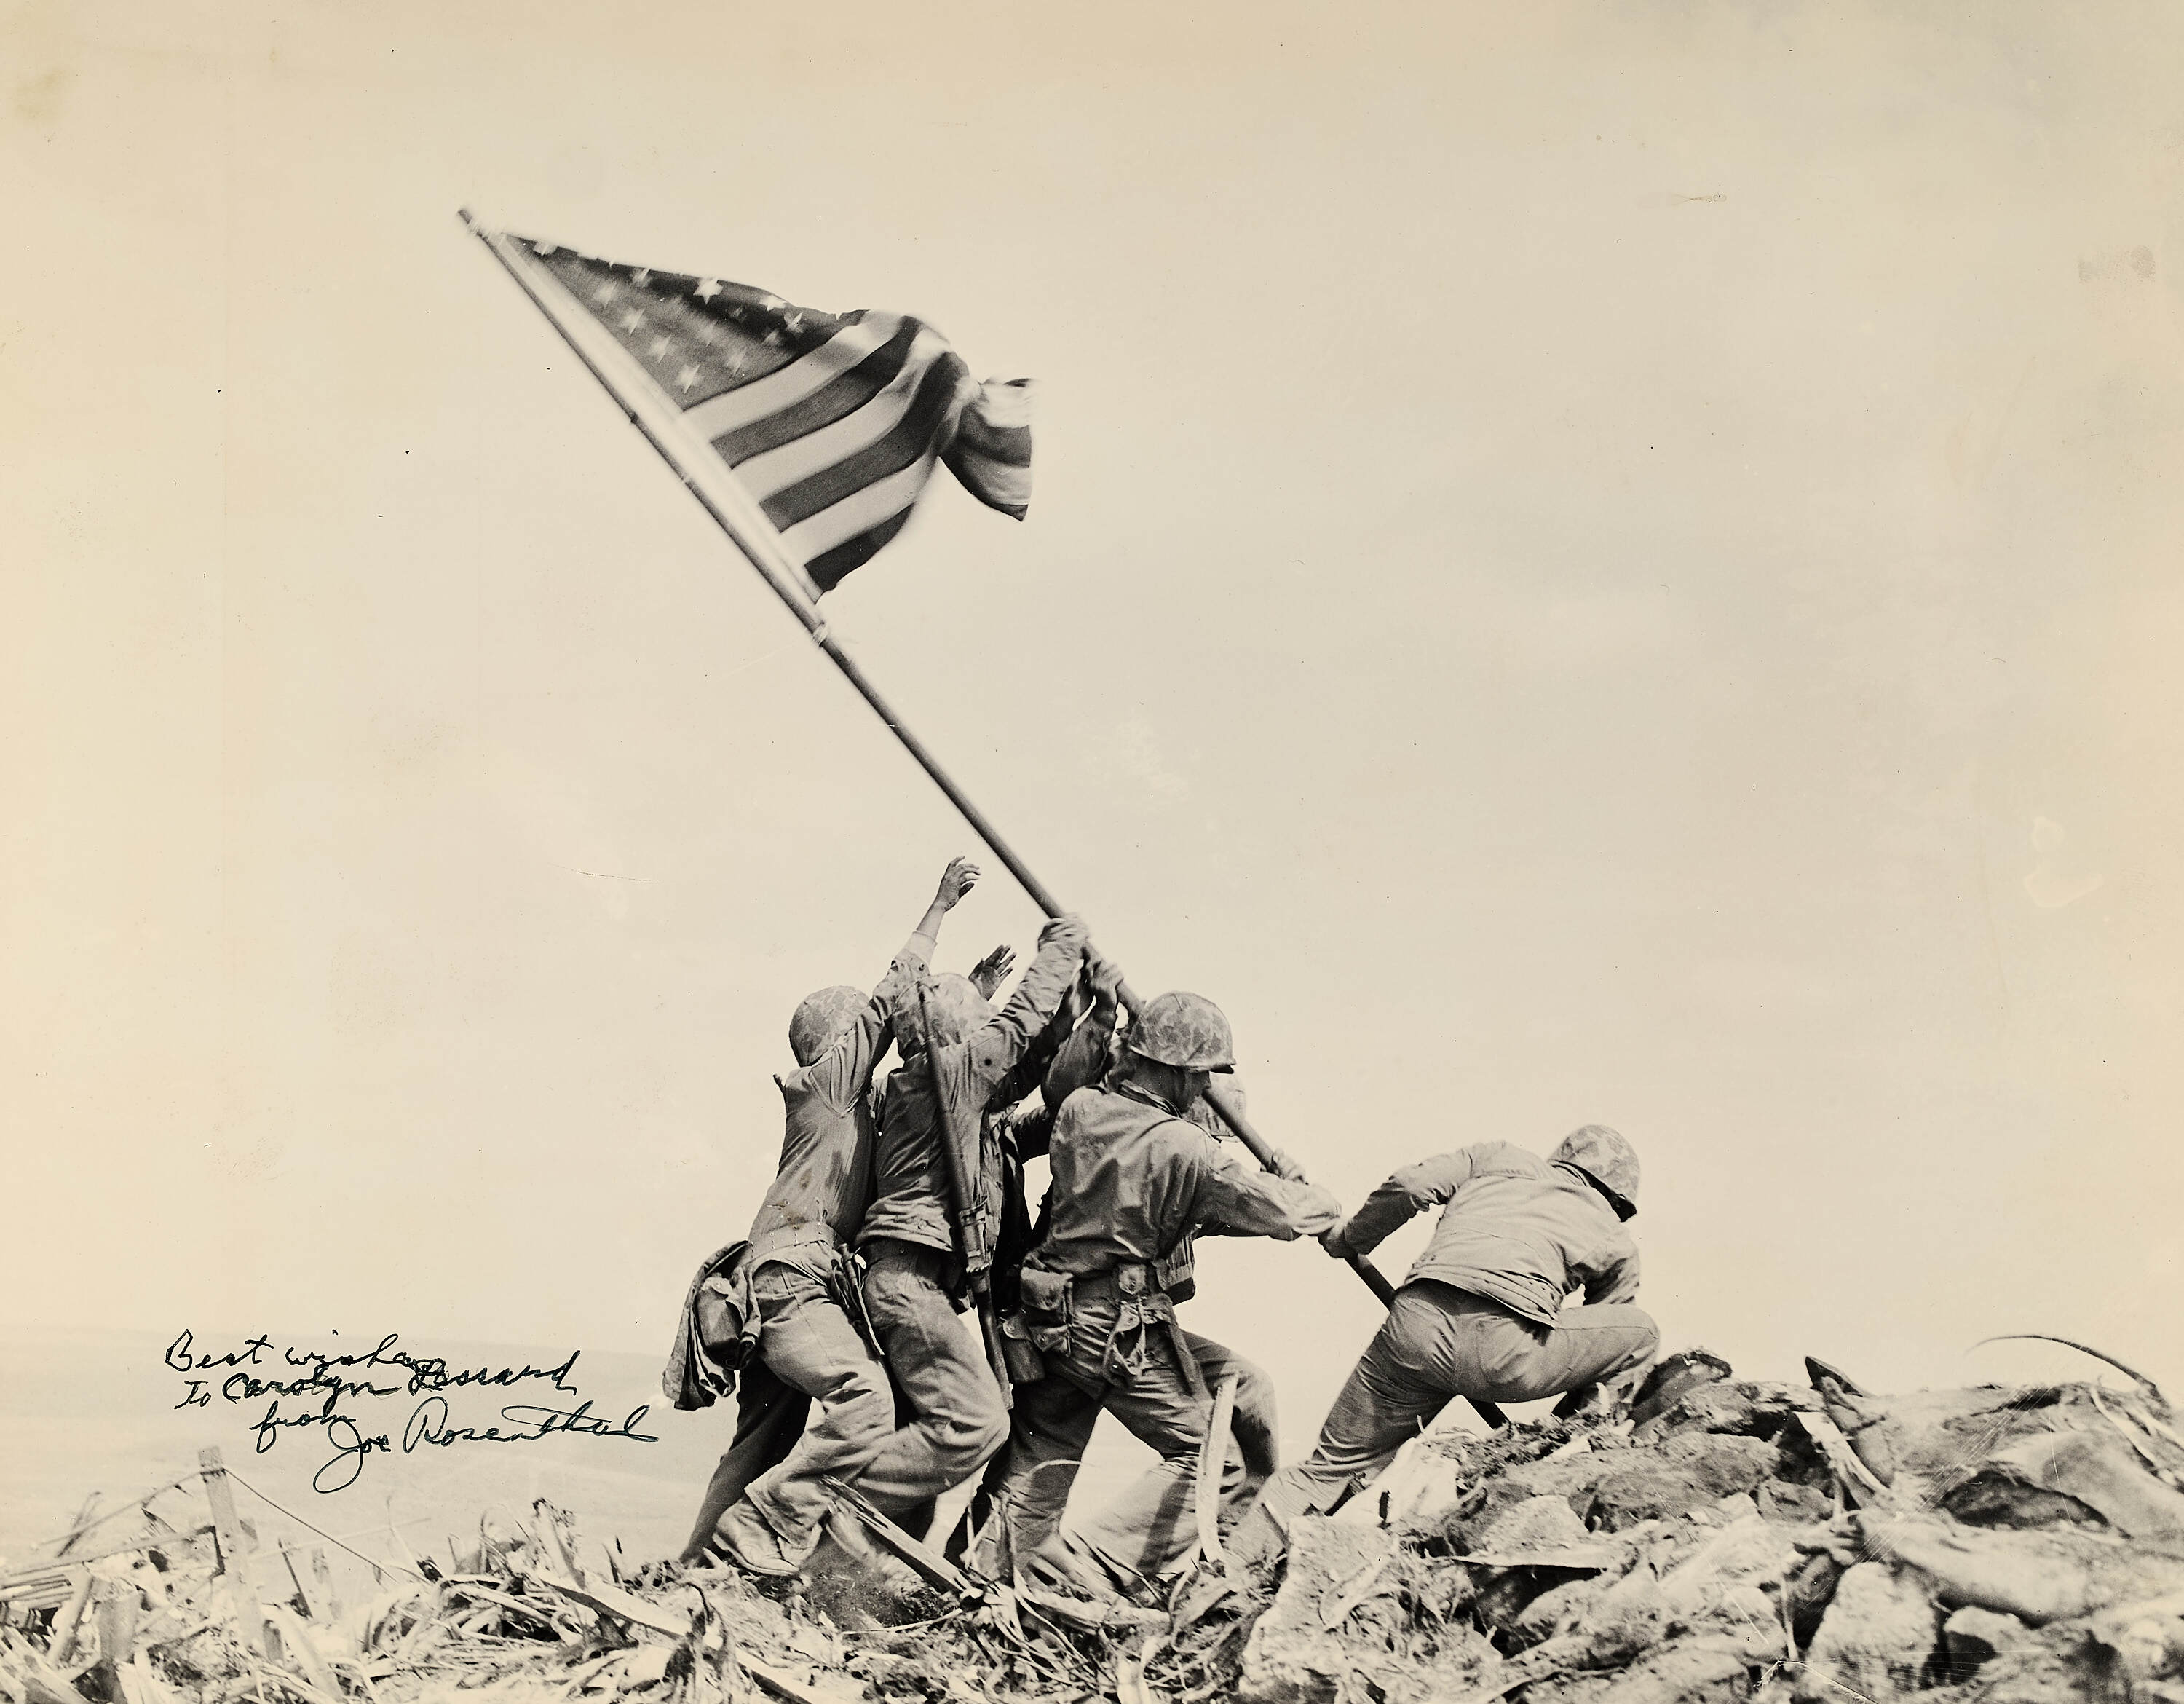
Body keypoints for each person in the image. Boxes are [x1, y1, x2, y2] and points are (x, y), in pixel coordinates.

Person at [983, 986, 1341, 1594]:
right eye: (1202, 1077)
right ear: (1179, 1072)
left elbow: (1196, 1209)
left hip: (1055, 1318)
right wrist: (1307, 1189)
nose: (1205, 1090)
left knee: (1240, 1392)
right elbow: (1286, 1214)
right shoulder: (1187, 1149)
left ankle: (992, 1572)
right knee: (1215, 1462)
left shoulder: (1083, 1110)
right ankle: (1084, 1573)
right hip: (1114, 1326)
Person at [701, 857, 996, 1575]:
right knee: (864, 1397)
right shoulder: (828, 1086)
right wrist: (938, 908)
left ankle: (706, 1569)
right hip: (791, 1282)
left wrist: (970, 999)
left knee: (762, 1442)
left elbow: (931, 1065)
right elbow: (892, 998)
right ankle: (765, 1530)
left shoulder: (861, 1108)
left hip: (798, 1284)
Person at [1228, 1126, 1660, 1565]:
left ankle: (1226, 1571)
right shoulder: (1615, 1237)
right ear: (1618, 1198)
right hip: (1505, 1354)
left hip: (1414, 1331)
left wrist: (1350, 1239)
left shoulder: (1497, 1157)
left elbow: (1410, 1186)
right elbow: (1600, 1350)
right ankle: (1567, 1455)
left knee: (1325, 1468)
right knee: (1640, 1333)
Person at [842, 911, 1093, 1529]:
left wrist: (1078, 1008)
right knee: (976, 1422)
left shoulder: (940, 1088)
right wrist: (1060, 950)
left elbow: (1026, 1065)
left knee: (921, 1469)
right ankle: (824, 1503)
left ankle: (850, 1567)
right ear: (961, 1034)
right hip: (910, 1283)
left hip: (912, 1283)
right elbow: (1015, 1030)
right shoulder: (947, 1076)